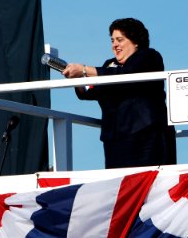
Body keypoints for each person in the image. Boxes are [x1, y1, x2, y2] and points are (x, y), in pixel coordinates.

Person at [63, 18, 177, 168]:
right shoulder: (109, 65)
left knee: (149, 185)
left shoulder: (149, 57)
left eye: (119, 40)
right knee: (119, 187)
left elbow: (127, 74)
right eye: (112, 40)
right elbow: (89, 93)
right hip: (114, 139)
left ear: (135, 41)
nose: (114, 45)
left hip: (145, 136)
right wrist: (77, 79)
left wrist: (84, 69)